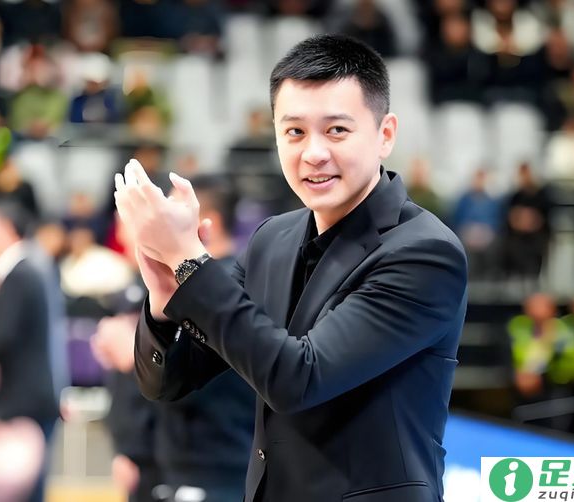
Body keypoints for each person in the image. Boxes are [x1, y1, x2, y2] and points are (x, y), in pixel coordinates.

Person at [115, 34, 468, 502]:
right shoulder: (271, 239)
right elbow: (169, 381)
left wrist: (190, 263)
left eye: (336, 130)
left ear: (385, 134)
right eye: (295, 132)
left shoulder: (425, 253)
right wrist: (165, 303)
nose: (313, 153)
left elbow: (299, 379)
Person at [93, 176, 254, 502]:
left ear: (207, 221)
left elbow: (205, 377)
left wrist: (131, 355)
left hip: (216, 464)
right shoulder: (174, 282)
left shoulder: (231, 284)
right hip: (172, 464)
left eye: (170, 213)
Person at [0, 199, 60, 502]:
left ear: (7, 228)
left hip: (23, 403)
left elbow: (0, 336)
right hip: (29, 399)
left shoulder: (20, 274)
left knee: (27, 492)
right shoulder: (28, 268)